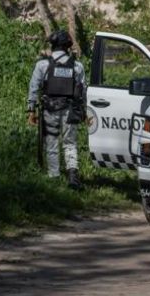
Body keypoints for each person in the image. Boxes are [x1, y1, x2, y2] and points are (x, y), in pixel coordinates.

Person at [27, 29, 87, 189]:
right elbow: (82, 91)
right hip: (70, 110)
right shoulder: (77, 66)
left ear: (53, 45)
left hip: (49, 110)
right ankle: (73, 175)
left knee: (52, 142)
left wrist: (31, 110)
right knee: (70, 143)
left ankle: (54, 177)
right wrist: (84, 113)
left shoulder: (42, 64)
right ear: (67, 46)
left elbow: (34, 87)